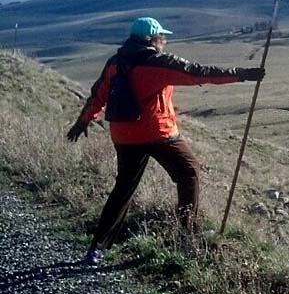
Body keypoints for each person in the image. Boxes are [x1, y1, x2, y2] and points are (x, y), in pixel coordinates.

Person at [66, 17, 264, 265]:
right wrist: (243, 74)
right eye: (162, 37)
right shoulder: (158, 63)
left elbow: (97, 96)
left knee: (123, 188)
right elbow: (200, 73)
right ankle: (186, 234)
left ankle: (96, 249)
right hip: (158, 133)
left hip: (124, 135)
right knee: (189, 171)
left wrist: (82, 122)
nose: (165, 41)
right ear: (152, 39)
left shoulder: (115, 63)